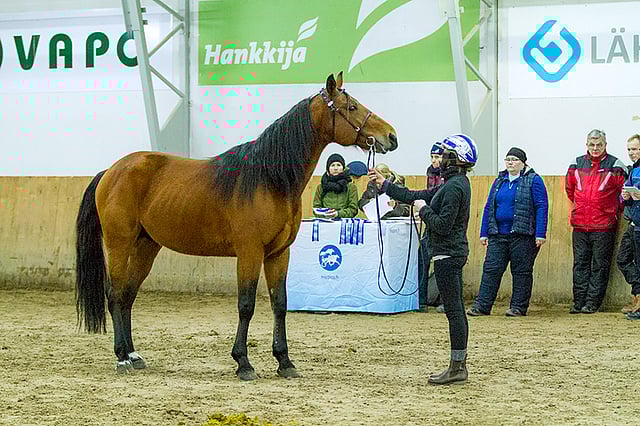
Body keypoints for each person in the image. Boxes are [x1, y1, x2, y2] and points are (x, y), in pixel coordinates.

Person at [369, 133, 477, 385]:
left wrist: (423, 210)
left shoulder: (454, 187)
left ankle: (457, 368)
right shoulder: (453, 183)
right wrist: (386, 185)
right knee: (455, 311)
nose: (441, 158)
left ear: (456, 158)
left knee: (454, 311)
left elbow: (442, 225)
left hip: (448, 253)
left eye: (446, 154)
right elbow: (417, 194)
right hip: (449, 252)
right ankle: (457, 365)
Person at [466, 147, 548, 317]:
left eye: (514, 159)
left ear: (523, 163)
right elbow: (489, 206)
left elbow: (541, 206)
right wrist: (484, 232)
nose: (510, 163)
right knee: (491, 269)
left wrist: (540, 233)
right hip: (498, 234)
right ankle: (482, 306)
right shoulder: (499, 181)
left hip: (523, 234)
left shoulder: (534, 180)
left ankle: (518, 307)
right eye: (508, 159)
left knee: (521, 271)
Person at [565, 129, 626, 314]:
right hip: (580, 224)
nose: (595, 148)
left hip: (604, 226)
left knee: (600, 265)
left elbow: (624, 192)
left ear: (605, 145)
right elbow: (570, 190)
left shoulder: (615, 165)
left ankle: (592, 302)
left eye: (599, 144)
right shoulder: (576, 164)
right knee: (580, 264)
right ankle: (578, 301)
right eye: (592, 144)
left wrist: (612, 210)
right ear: (586, 145)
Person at [418, 143, 446, 312]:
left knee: (444, 263)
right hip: (430, 222)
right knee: (422, 259)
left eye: (438, 157)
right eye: (433, 157)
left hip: (442, 222)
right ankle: (420, 299)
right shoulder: (430, 174)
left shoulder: (449, 177)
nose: (435, 160)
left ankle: (445, 300)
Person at [618, 134, 640, 317]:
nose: (631, 153)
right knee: (623, 259)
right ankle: (638, 294)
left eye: (634, 149)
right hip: (633, 222)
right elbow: (625, 193)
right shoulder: (633, 170)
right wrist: (625, 196)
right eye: (629, 149)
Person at [313, 153, 359, 219]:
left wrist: (338, 214)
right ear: (328, 169)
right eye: (332, 165)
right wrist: (326, 214)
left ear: (343, 168)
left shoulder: (351, 187)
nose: (335, 168)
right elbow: (316, 208)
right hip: (325, 221)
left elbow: (353, 209)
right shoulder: (321, 187)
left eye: (338, 165)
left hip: (344, 221)